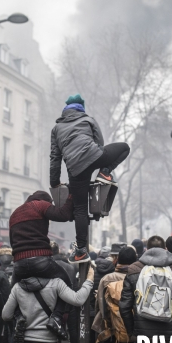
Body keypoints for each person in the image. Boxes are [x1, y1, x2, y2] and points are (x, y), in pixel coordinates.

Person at [50, 94, 130, 263]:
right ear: (81, 108)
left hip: (75, 170)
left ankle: (80, 251)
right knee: (124, 148)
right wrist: (103, 166)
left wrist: (54, 182)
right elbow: (100, 142)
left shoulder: (56, 129)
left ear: (65, 111)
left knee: (80, 209)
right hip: (94, 156)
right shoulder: (89, 120)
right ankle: (104, 172)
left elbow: (55, 157)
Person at [9, 190, 75, 340]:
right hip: (40, 260)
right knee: (67, 284)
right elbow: (63, 215)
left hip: (19, 264)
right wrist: (71, 195)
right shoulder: (40, 205)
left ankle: (19, 318)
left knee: (12, 291)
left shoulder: (15, 213)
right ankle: (56, 319)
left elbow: (13, 241)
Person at [2, 264, 95, 343]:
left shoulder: (18, 287)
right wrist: (89, 281)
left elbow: (6, 315)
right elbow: (78, 299)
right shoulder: (56, 283)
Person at [92, 247, 137, 343]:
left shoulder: (107, 279)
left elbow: (99, 306)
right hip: (133, 334)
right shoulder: (138, 279)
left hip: (111, 333)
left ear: (117, 260)